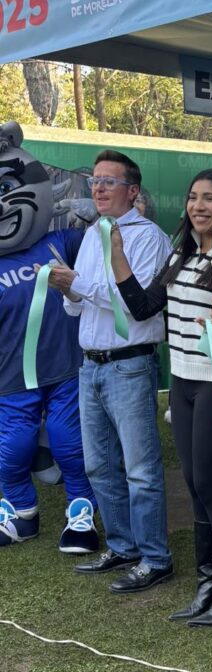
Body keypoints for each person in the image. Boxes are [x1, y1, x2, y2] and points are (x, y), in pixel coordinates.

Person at [111, 169, 212, 626]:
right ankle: (208, 584)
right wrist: (117, 255)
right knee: (194, 486)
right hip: (183, 380)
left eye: (209, 198)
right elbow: (142, 307)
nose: (197, 206)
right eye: (193, 197)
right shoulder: (181, 254)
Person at [47, 150, 173, 593]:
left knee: (140, 468)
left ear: (133, 191)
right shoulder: (92, 235)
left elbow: (135, 306)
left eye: (108, 181)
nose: (97, 188)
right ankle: (123, 546)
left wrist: (77, 284)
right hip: (91, 364)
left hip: (129, 364)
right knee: (99, 465)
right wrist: (68, 289)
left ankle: (155, 557)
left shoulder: (148, 238)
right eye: (94, 181)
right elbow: (77, 308)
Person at [0, 124, 98, 554]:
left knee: (68, 442)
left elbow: (114, 251)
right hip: (10, 376)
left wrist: (100, 221)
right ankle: (21, 515)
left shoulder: (61, 243)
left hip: (65, 367)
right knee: (11, 449)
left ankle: (81, 512)